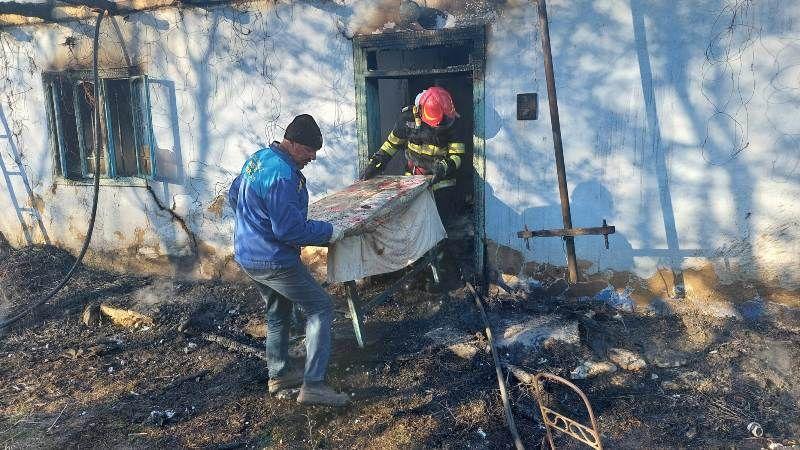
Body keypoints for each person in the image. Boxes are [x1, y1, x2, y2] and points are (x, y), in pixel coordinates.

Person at [229, 114, 348, 407]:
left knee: (278, 311)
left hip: (247, 253)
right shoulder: (283, 175)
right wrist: (330, 231)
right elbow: (288, 230)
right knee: (320, 307)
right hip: (273, 259)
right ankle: (314, 385)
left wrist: (255, 224)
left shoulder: (258, 158)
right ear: (292, 143)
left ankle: (279, 373)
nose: (312, 157)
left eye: (315, 151)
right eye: (308, 150)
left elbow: (234, 195)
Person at [360, 86, 473, 286]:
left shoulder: (452, 121)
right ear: (421, 113)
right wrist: (376, 163)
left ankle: (441, 275)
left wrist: (444, 167)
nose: (440, 126)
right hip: (412, 181)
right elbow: (391, 144)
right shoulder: (407, 120)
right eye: (437, 122)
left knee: (437, 229)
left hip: (442, 184)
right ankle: (416, 271)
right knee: (412, 228)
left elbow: (458, 155)